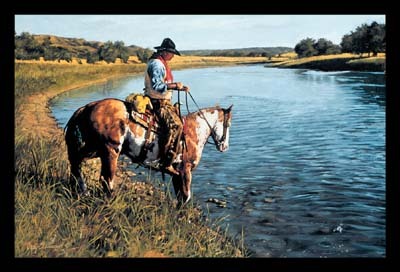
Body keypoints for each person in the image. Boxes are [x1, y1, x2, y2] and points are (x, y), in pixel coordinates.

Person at [144, 38, 190, 175]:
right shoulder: (157, 64)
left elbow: (164, 84)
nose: (173, 56)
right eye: (171, 53)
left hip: (162, 101)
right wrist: (175, 86)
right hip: (158, 103)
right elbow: (157, 86)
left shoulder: (160, 62)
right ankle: (166, 162)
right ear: (164, 52)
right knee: (177, 126)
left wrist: (178, 88)